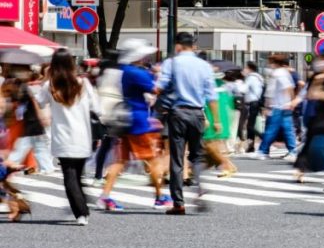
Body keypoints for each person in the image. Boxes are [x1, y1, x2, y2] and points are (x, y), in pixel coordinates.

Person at [97, 39, 169, 211]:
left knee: (120, 160)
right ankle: (160, 197)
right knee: (152, 158)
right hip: (138, 120)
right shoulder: (136, 72)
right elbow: (155, 89)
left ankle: (105, 196)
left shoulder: (121, 70)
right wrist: (161, 76)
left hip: (124, 119)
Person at [156, 32, 219, 216]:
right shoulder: (204, 66)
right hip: (198, 113)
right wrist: (215, 120)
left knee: (177, 158)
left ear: (177, 46)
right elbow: (212, 95)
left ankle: (179, 203)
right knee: (197, 155)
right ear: (192, 46)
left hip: (178, 113)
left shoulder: (171, 63)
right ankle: (199, 187)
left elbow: (160, 87)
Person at [41, 49, 98, 225]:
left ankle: (81, 212)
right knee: (78, 174)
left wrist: (45, 78)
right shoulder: (83, 83)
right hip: (82, 136)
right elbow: (96, 106)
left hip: (63, 137)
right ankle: (82, 209)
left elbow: (39, 101)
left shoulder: (50, 86)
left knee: (70, 175)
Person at [293, 55, 324, 183]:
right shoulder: (317, 78)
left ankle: (301, 169)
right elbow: (310, 94)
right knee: (315, 144)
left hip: (323, 115)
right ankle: (301, 169)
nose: (322, 64)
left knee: (312, 144)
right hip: (319, 116)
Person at [258, 54, 298, 160]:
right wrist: (291, 101)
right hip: (283, 105)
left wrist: (267, 106)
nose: (269, 64)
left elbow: (276, 90)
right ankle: (292, 151)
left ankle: (263, 150)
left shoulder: (277, 73)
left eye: (270, 62)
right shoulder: (284, 72)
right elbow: (291, 87)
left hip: (278, 105)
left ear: (275, 63)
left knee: (272, 129)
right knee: (287, 129)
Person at [204, 65, 238, 179]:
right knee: (214, 145)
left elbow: (209, 103)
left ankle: (228, 166)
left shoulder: (210, 86)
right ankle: (192, 170)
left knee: (211, 145)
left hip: (212, 118)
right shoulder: (223, 86)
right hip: (222, 118)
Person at [239, 62, 264, 153]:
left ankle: (264, 138)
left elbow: (243, 89)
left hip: (252, 103)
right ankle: (251, 146)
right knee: (250, 126)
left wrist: (240, 82)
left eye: (245, 67)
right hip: (256, 103)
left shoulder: (251, 78)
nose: (244, 69)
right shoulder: (258, 78)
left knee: (250, 126)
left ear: (250, 68)